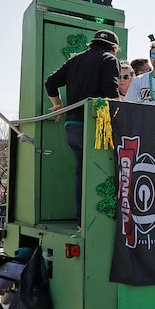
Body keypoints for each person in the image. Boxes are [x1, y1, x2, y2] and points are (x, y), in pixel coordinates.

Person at [44, 29, 121, 221]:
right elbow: (112, 96)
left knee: (82, 171)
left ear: (92, 43)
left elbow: (50, 83)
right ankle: (101, 220)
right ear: (114, 48)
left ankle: (82, 220)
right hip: (96, 127)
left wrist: (58, 106)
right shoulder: (109, 60)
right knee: (106, 172)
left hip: (73, 125)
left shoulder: (75, 60)